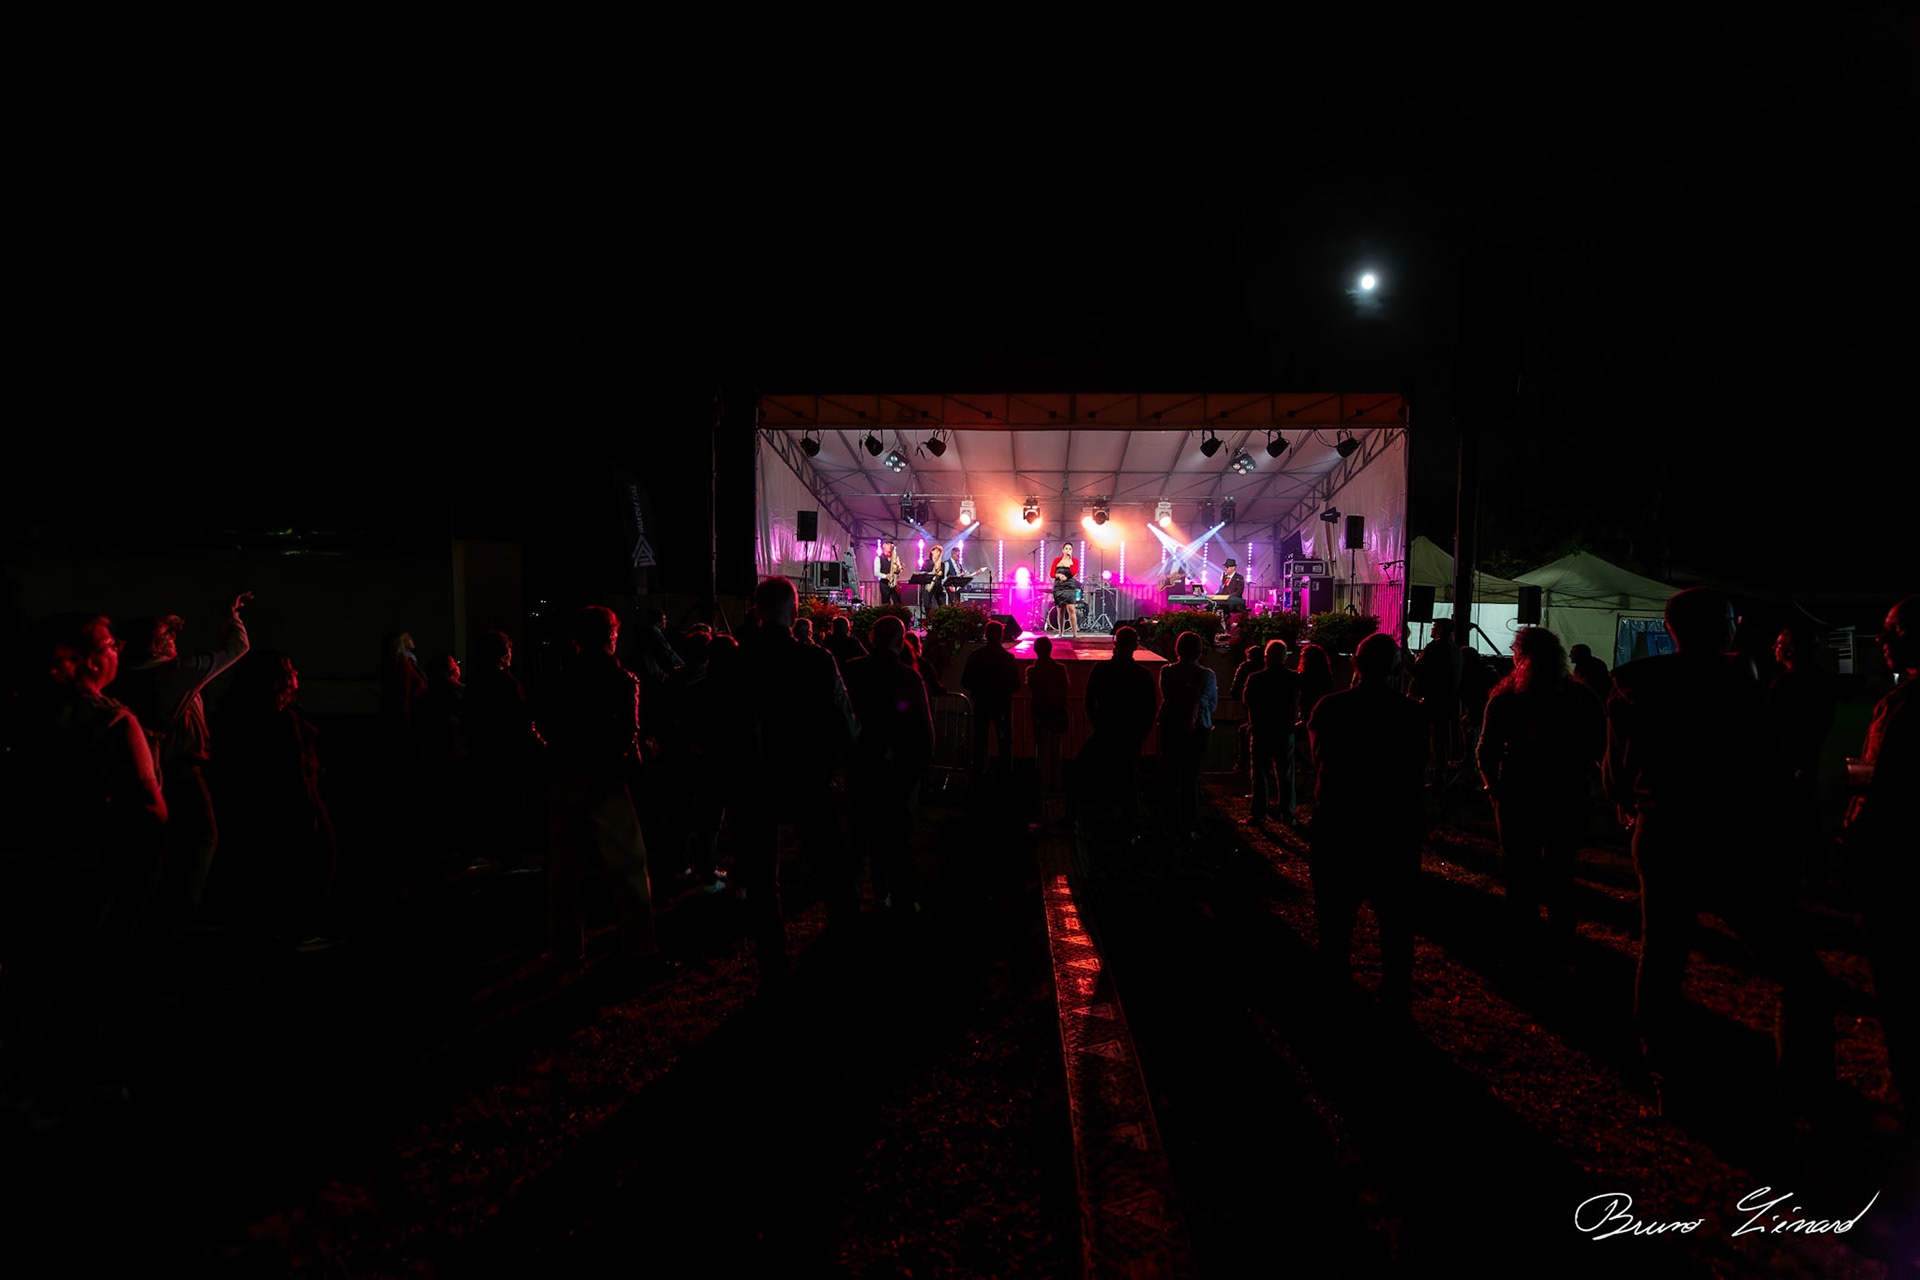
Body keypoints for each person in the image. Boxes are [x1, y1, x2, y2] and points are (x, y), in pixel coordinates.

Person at [1605, 587, 1833, 1113]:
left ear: (1670, 630)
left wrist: (1632, 800)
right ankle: (1807, 1095)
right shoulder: (1740, 682)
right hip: (1732, 836)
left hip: (1661, 830)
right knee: (1797, 970)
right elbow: (1766, 767)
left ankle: (1666, 1077)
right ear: (1725, 627)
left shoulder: (1632, 687)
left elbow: (1615, 774)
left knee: (1662, 954)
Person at [533, 606, 670, 974]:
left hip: (564, 776)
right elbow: (627, 734)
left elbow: (541, 724)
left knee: (564, 870)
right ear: (611, 635)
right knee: (628, 867)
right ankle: (639, 947)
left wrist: (558, 749)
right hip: (606, 779)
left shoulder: (559, 678)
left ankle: (565, 949)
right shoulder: (620, 680)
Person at [113, 593, 251, 934]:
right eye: (167, 635)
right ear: (154, 644)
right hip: (178, 771)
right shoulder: (176, 673)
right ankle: (179, 920)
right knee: (202, 838)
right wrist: (230, 616)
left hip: (143, 772)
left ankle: (143, 921)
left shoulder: (127, 676)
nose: (175, 640)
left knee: (157, 848)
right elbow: (237, 649)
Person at [733, 577, 860, 938]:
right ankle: (845, 938)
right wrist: (853, 760)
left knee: (761, 874)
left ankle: (771, 958)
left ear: (757, 610)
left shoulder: (740, 658)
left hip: (756, 777)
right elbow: (843, 715)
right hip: (808, 772)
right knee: (831, 862)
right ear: (794, 610)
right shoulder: (816, 659)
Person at [1307, 632, 1428, 1012]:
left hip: (1339, 824)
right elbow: (1418, 766)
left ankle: (1335, 994)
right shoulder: (1412, 713)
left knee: (1334, 920)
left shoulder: (1329, 707)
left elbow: (1318, 760)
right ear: (1396, 667)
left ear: (1356, 665)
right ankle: (1395, 996)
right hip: (1393, 828)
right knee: (1396, 923)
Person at [1475, 627, 1605, 967]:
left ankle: (1522, 942)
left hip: (1520, 789)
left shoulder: (1506, 698)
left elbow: (1486, 749)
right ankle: (1562, 942)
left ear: (1520, 656)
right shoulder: (1581, 696)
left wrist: (1492, 786)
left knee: (1520, 871)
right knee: (1561, 869)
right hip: (1568, 791)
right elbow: (1600, 745)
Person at [1843, 596, 1919, 1113]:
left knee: (1899, 972)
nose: (1882, 640)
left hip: (1900, 859)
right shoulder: (1902, 697)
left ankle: (1910, 1082)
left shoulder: (1908, 702)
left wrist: (1862, 798)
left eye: (1894, 630)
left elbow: (1890, 781)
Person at [209, 651, 336, 938]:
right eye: (288, 670)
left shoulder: (240, 717)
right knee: (312, 865)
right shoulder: (281, 719)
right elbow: (291, 769)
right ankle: (303, 930)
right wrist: (308, 808)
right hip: (294, 804)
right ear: (274, 680)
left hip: (263, 808)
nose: (296, 674)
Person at [843, 615, 933, 912]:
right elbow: (924, 732)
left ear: (871, 637)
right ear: (901, 639)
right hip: (897, 770)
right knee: (897, 841)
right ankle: (897, 902)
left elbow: (841, 717)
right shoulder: (908, 677)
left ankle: (850, 904)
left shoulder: (852, 670)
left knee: (858, 837)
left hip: (861, 766)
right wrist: (916, 771)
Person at [1767, 623, 1836, 891]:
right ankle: (1816, 876)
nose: (1775, 650)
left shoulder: (1787, 682)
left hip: (1789, 761)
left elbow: (1772, 725)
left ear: (1791, 650)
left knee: (1791, 821)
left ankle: (1792, 878)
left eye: (1779, 645)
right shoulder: (1821, 679)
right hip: (1809, 757)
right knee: (1807, 817)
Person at [1078, 626, 1158, 829]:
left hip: (1105, 729)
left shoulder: (1100, 669)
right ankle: (1127, 822)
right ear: (1136, 646)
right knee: (1129, 776)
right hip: (1131, 733)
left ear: (1115, 645)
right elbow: (1150, 709)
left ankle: (1091, 818)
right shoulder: (1144, 675)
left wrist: (1099, 724)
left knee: (1089, 769)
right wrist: (1140, 733)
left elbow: (1089, 701)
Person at [1158, 631, 1218, 846]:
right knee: (1190, 777)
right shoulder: (1207, 675)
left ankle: (1170, 826)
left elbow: (1167, 696)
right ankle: (1189, 827)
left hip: (1171, 726)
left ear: (1177, 650)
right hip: (1197, 728)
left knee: (1171, 776)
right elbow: (1212, 704)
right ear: (1199, 652)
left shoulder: (1167, 672)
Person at [1241, 639, 1301, 828]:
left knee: (1259, 774)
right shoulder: (1294, 678)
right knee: (1286, 775)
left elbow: (1247, 700)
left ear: (1266, 657)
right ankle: (1287, 814)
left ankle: (1258, 813)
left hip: (1261, 730)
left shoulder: (1255, 678)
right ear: (1285, 657)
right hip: (1284, 731)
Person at [962, 620, 1022, 786]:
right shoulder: (1008, 658)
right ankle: (1006, 776)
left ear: (986, 635)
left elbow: (965, 681)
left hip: (981, 702)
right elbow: (1016, 685)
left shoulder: (976, 656)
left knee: (980, 739)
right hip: (1001, 703)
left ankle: (979, 774)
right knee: (1004, 740)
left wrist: (980, 688)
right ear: (1001, 636)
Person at [1412, 617, 1464, 782]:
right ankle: (1440, 776)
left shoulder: (1435, 646)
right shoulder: (1454, 648)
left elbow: (1418, 670)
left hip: (1433, 700)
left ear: (1441, 629)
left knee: (1428, 740)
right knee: (1440, 740)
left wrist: (1411, 662)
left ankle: (1433, 776)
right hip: (1447, 700)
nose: (1432, 629)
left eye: (1435, 626)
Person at [1027, 634, 1071, 793]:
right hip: (1056, 712)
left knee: (1042, 749)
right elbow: (1066, 688)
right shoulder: (1060, 669)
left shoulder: (1032, 671)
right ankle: (1055, 782)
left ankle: (1043, 784)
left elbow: (1032, 689)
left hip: (1040, 712)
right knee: (1055, 749)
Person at [1229, 640, 1266, 775]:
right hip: (1271, 715)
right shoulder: (1266, 669)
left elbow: (1234, 691)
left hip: (1252, 713)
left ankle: (1242, 765)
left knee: (1244, 732)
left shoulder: (1245, 668)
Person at [1050, 546, 1082, 639]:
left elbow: (1074, 572)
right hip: (1059, 587)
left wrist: (1070, 561)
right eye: (1066, 549)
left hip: (1069, 586)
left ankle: (1075, 633)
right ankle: (1060, 632)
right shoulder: (1057, 560)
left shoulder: (1075, 561)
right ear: (1062, 550)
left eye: (1070, 549)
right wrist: (1058, 575)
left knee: (1071, 609)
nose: (1068, 550)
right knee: (1060, 610)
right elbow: (1052, 574)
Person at [1217, 559, 1248, 632]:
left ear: (1233, 567)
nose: (1225, 569)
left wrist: (1228, 597)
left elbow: (1239, 591)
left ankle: (1229, 630)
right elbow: (1221, 590)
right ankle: (1221, 629)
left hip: (1234, 603)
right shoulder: (1225, 578)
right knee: (1212, 607)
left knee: (1227, 608)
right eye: (1225, 567)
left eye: (1227, 567)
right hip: (1224, 602)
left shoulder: (1239, 578)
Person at [876, 540, 903, 607]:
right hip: (884, 583)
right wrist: (886, 576)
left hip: (894, 583)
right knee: (886, 603)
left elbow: (897, 570)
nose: (890, 546)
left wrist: (899, 569)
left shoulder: (894, 558)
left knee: (897, 602)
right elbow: (876, 573)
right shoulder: (878, 558)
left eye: (891, 544)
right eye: (888, 544)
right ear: (883, 545)